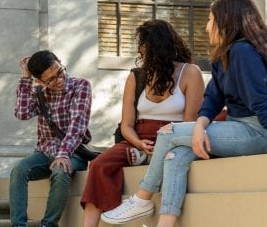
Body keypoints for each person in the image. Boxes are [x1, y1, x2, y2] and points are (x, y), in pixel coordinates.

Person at [101, 0, 267, 227]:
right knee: (174, 156)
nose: (206, 26)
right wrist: (199, 126)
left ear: (226, 20)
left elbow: (262, 101)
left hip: (258, 130)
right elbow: (212, 100)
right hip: (236, 126)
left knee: (168, 132)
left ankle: (142, 198)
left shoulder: (242, 51)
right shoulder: (223, 56)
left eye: (210, 19)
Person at [80, 19, 204, 227]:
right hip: (138, 138)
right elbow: (126, 125)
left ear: (159, 45)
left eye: (144, 44)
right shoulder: (136, 76)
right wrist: (138, 143)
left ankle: (143, 166)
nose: (140, 49)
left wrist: (164, 143)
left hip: (175, 136)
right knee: (99, 164)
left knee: (167, 157)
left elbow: (190, 121)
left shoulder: (190, 72)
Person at [10, 50, 92, 227]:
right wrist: (26, 79)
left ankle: (48, 225)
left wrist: (63, 154)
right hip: (45, 152)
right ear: (40, 80)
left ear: (60, 62)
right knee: (18, 170)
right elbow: (22, 113)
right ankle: (18, 225)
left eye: (60, 72)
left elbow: (77, 127)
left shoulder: (81, 86)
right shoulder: (39, 92)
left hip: (73, 152)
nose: (59, 80)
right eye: (52, 79)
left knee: (60, 171)